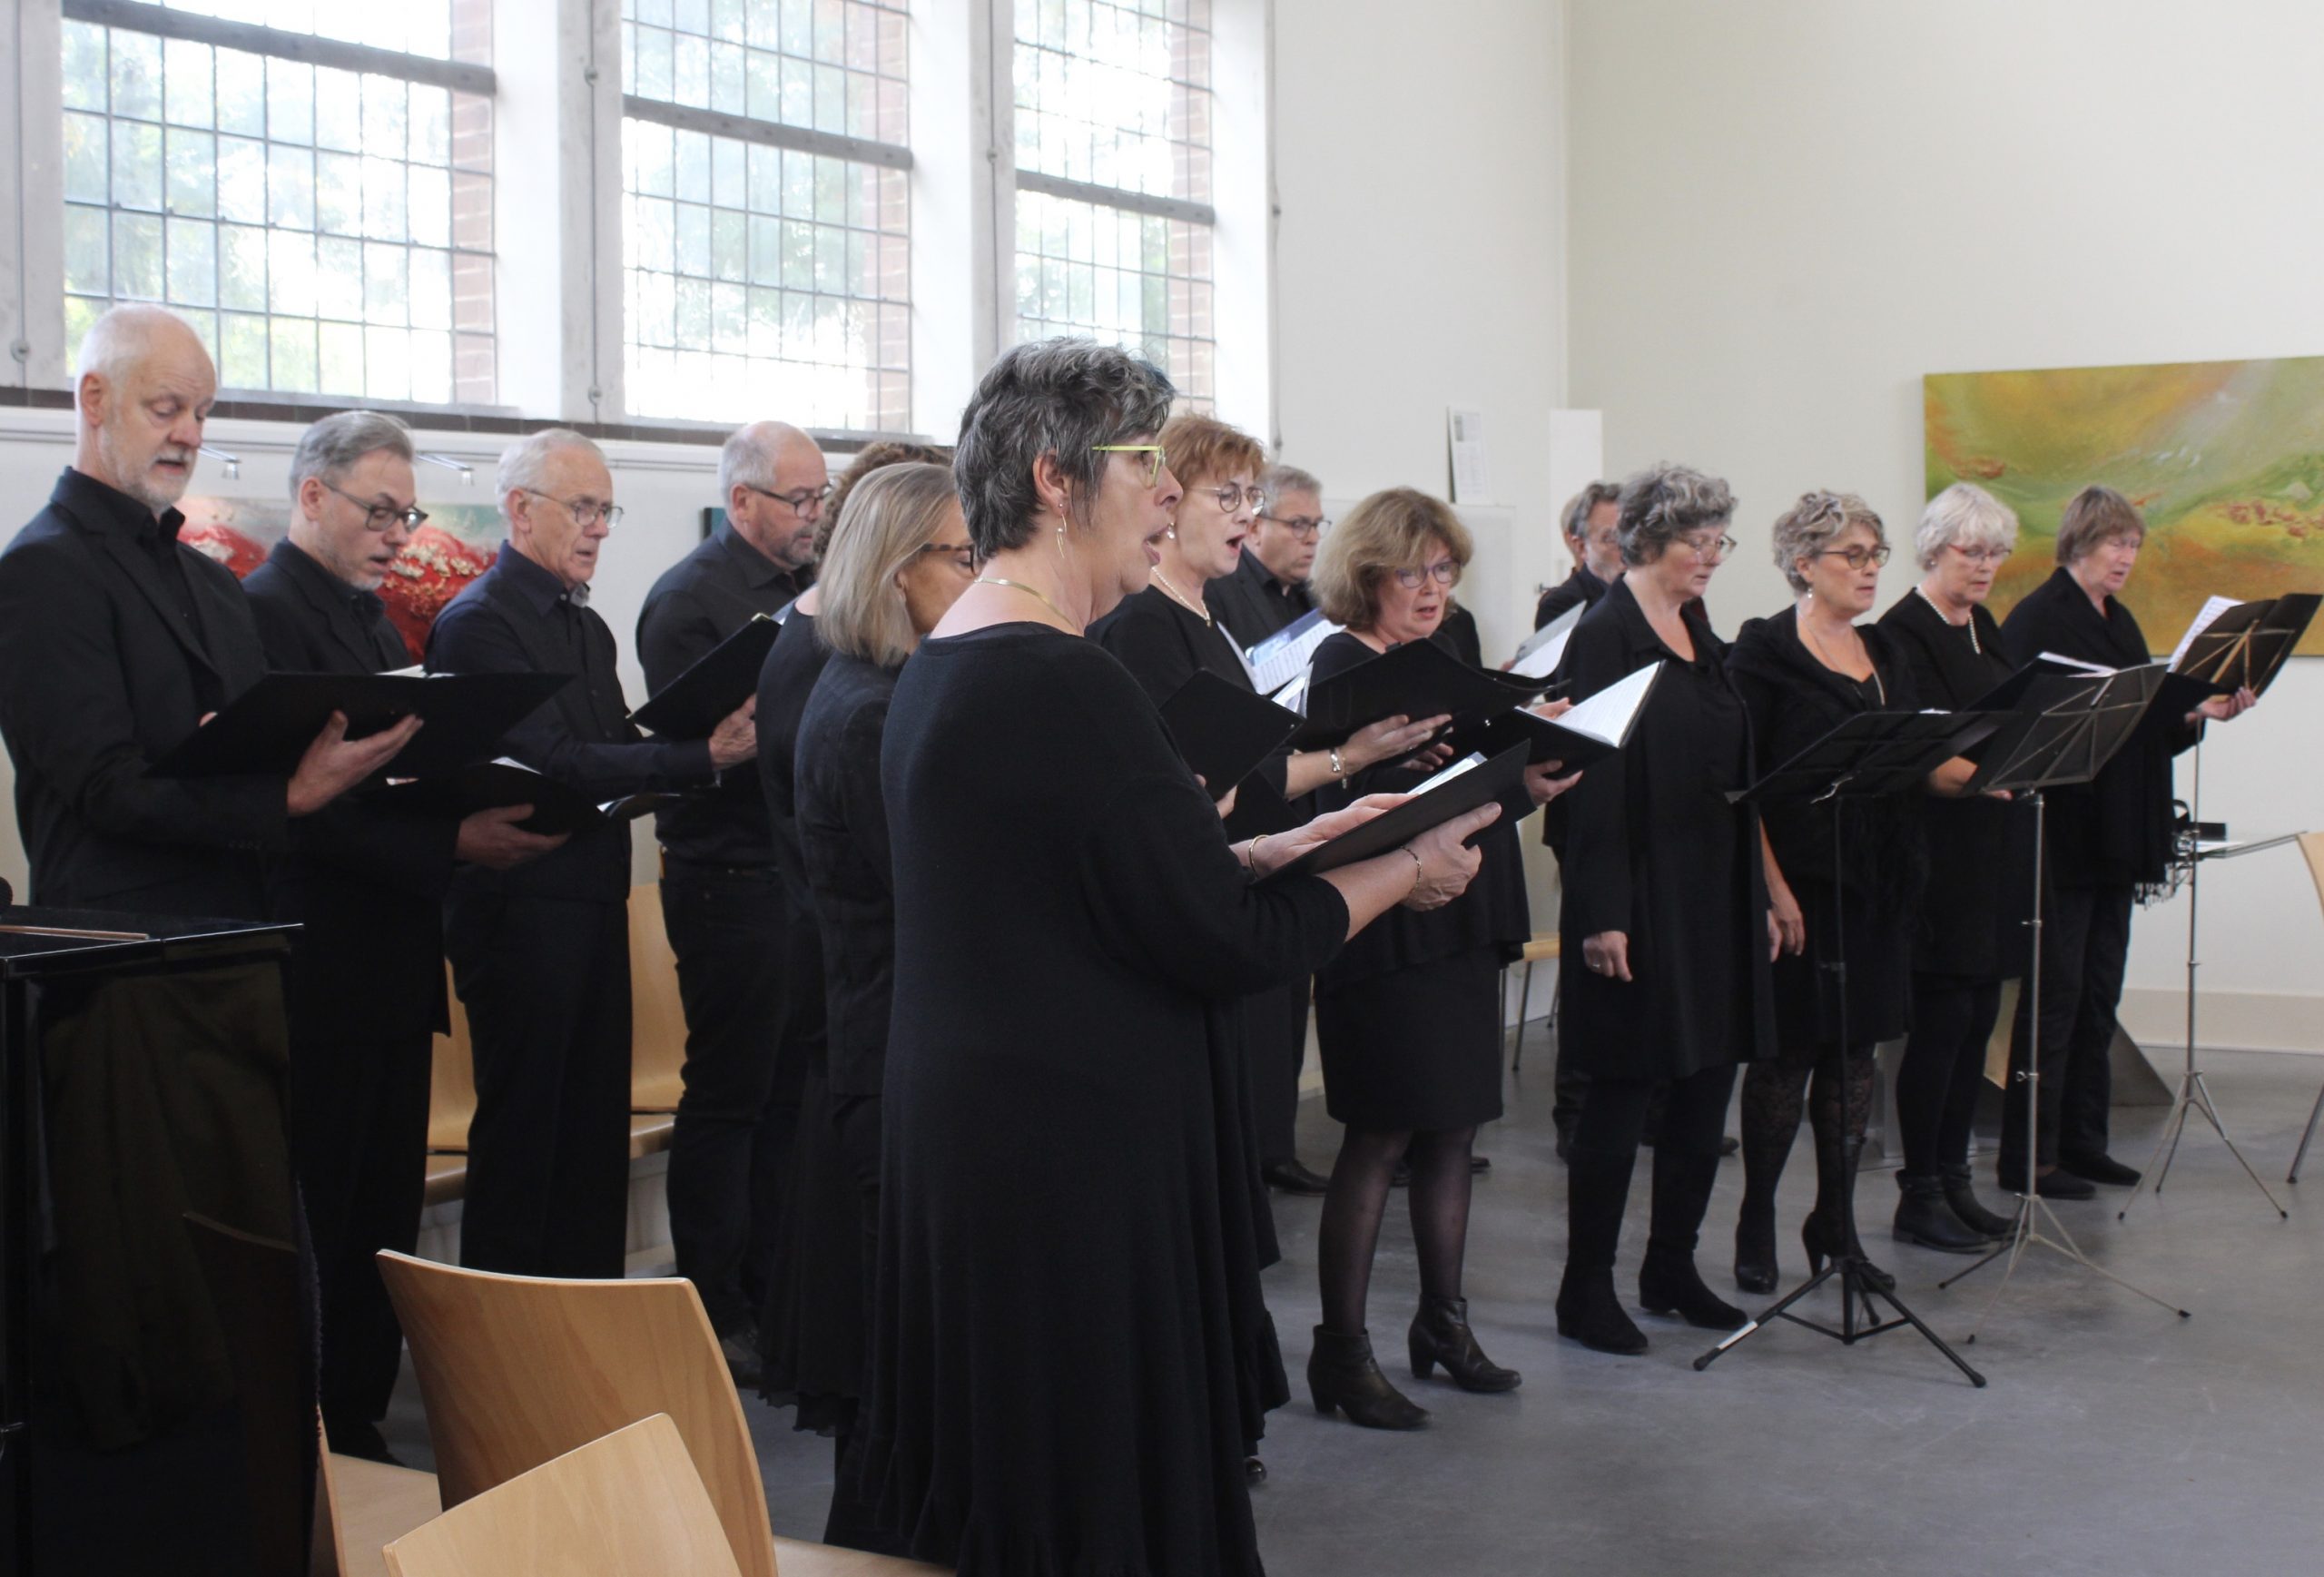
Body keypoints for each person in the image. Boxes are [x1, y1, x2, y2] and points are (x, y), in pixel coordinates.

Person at [854, 338, 1493, 1575]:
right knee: (1085, 1487)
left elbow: (1098, 885)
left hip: (986, 1131)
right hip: (1068, 1154)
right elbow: (1220, 940)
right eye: (1148, 461)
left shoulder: (956, 660)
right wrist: (1400, 871)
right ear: (1054, 477)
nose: (1168, 493)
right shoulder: (1063, 678)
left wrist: (1299, 837)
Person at [242, 410, 564, 1459]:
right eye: (379, 511)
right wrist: (452, 843)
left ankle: (366, 1411)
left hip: (388, 955)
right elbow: (309, 810)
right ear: (312, 498)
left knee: (378, 1211)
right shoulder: (266, 617)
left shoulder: (375, 622)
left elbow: (402, 769)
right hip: (319, 959)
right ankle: (325, 1425)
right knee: (327, 1209)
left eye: (406, 512)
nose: (397, 533)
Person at [427, 429, 756, 1277]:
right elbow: (558, 762)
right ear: (517, 509)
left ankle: (589, 1320)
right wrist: (697, 759)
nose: (599, 527)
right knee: (529, 1131)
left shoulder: (586, 627)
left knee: (591, 1131)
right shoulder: (476, 626)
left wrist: (688, 735)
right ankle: (508, 1342)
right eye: (582, 508)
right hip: (519, 907)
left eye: (605, 509)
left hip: (590, 894)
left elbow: (608, 746)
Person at [1091, 417, 1445, 1200]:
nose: (1249, 513)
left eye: (1255, 494)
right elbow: (1182, 790)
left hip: (1252, 877)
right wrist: (1343, 759)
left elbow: (1240, 771)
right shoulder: (1145, 621)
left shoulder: (1207, 612)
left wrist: (1349, 759)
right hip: (1205, 894)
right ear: (1168, 500)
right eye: (1230, 495)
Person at [1304, 487, 1580, 1429]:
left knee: (1455, 1129)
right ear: (1366, 574)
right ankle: (1341, 1352)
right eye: (1413, 570)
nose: (1432, 588)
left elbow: (1464, 794)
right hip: (1382, 932)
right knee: (1379, 1136)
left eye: (1444, 570)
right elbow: (1320, 813)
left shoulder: (1444, 654)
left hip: (1458, 915)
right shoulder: (1340, 664)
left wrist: (1527, 782)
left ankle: (1442, 1325)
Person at [0, 304, 408, 918]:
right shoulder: (42, 569)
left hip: (249, 933)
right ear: (94, 399)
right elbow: (104, 787)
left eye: (201, 413)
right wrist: (285, 794)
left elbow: (244, 742)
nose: (190, 434)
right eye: (165, 409)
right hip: (123, 955)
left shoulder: (214, 581)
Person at [790, 461, 974, 1549]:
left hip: (900, 1055)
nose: (981, 575)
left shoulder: (893, 696)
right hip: (888, 1063)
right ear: (899, 573)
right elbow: (936, 901)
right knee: (894, 1396)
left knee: (917, 1387)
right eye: (963, 557)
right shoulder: (868, 714)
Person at [1727, 493, 1974, 1294]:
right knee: (1786, 1058)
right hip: (1802, 884)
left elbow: (1920, 760)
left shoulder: (1883, 652)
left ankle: (1835, 1225)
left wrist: (1999, 770)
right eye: (1853, 555)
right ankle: (1757, 1215)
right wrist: (1773, 890)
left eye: (1877, 555)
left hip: (1877, 884)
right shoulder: (1760, 654)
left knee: (1855, 1056)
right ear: (1803, 563)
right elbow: (1746, 787)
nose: (1871, 570)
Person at [1556, 462, 1775, 1355]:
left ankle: (1670, 1267)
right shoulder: (1605, 633)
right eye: (1696, 540)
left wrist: (1756, 893)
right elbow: (1586, 785)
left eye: (1717, 540)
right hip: (1638, 893)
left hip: (1711, 888)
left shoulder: (1694, 626)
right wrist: (1602, 911)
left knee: (1704, 1081)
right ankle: (1585, 1289)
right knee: (1622, 1091)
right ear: (1647, 538)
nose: (1710, 556)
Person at [1997, 486, 2255, 1195]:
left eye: (2134, 545)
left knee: (2099, 996)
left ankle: (2084, 1142)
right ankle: (2030, 1157)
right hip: (2066, 834)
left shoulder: (2120, 618)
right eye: (2116, 543)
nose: (2126, 557)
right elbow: (2026, 730)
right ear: (2080, 539)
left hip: (2117, 837)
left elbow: (2145, 731)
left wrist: (2202, 713)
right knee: (2056, 996)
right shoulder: (2037, 618)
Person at [635, 420, 822, 1375]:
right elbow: (702, 746)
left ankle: (779, 1287)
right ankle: (713, 1303)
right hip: (725, 872)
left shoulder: (805, 593)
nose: (814, 516)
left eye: (820, 498)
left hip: (790, 870)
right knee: (730, 1095)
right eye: (799, 499)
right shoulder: (689, 601)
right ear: (741, 501)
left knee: (791, 1093)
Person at [1868, 482, 2024, 1247]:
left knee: (1979, 1018)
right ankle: (1919, 1190)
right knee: (1941, 1023)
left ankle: (1958, 1180)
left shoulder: (1982, 625)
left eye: (1996, 552)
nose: (1986, 565)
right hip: (1935, 852)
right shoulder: (1902, 633)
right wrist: (1991, 774)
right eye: (1972, 551)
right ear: (1934, 549)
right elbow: (1919, 752)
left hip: (1990, 848)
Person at [1538, 478, 1625, 1158]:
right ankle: (1576, 1108)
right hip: (1580, 795)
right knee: (1589, 950)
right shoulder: (1566, 604)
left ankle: (1637, 1100)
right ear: (1578, 542)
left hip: (1632, 796)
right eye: (1609, 535)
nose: (1624, 547)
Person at [1208, 461, 1324, 648]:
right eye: (1298, 524)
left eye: (1316, 525)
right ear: (1254, 529)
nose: (1313, 538)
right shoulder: (1217, 588)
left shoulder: (1316, 597)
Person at [1535, 479, 1623, 629]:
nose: (1627, 547)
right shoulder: (1562, 606)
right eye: (1611, 538)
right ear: (1582, 547)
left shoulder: (1653, 596)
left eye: (1632, 535)